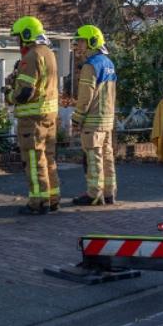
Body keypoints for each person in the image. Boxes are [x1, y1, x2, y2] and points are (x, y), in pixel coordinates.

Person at [7, 15, 59, 215]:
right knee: (48, 159)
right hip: (49, 117)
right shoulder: (49, 53)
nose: (16, 40)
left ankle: (38, 202)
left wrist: (8, 95)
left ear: (26, 34)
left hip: (32, 119)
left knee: (34, 160)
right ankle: (52, 198)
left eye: (18, 36)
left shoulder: (31, 56)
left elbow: (24, 93)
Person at [70, 25, 117, 206]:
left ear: (92, 42)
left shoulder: (90, 65)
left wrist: (76, 119)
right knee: (107, 157)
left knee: (93, 158)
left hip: (92, 122)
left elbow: (85, 97)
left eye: (82, 41)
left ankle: (94, 194)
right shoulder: (109, 63)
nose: (79, 45)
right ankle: (109, 193)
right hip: (107, 120)